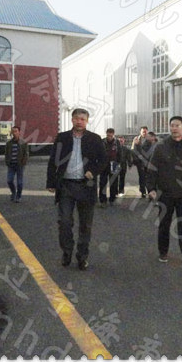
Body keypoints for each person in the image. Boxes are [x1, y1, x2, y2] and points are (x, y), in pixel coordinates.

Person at [46, 108, 107, 271]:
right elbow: (53, 160)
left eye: (82, 119)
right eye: (76, 118)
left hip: (86, 187)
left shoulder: (94, 139)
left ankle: (82, 256)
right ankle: (67, 252)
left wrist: (93, 171)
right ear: (72, 119)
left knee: (85, 225)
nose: (79, 121)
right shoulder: (62, 138)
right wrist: (51, 181)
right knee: (64, 222)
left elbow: (103, 160)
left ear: (87, 121)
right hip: (66, 186)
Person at [147, 116, 182, 276]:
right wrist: (151, 188)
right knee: (164, 224)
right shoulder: (161, 146)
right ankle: (163, 251)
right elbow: (152, 168)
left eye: (177, 125)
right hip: (165, 193)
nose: (174, 128)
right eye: (172, 125)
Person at [99, 128, 123, 207]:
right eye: (108, 135)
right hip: (104, 164)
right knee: (103, 183)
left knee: (114, 182)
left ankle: (112, 199)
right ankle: (103, 200)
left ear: (113, 134)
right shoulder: (102, 141)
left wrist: (119, 163)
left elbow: (120, 153)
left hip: (114, 164)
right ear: (106, 134)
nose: (109, 137)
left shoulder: (117, 142)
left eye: (111, 135)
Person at [5, 126, 29, 203]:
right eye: (13, 131)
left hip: (20, 165)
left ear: (19, 132)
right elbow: (6, 153)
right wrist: (7, 162)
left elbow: (26, 154)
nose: (14, 133)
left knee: (19, 182)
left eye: (16, 131)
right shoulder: (9, 143)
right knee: (9, 180)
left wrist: (23, 163)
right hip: (11, 165)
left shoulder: (23, 143)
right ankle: (13, 192)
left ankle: (18, 196)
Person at [132, 126, 151, 198]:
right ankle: (143, 192)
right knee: (142, 177)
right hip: (140, 162)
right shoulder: (136, 139)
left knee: (149, 177)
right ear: (140, 132)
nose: (144, 133)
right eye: (143, 131)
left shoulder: (150, 139)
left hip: (148, 162)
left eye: (145, 131)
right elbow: (133, 150)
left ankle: (150, 191)